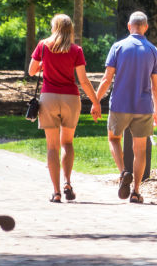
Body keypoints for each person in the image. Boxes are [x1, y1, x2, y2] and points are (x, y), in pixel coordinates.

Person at [28, 14, 102, 203]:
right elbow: (83, 80)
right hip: (71, 98)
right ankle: (67, 183)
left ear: (54, 27)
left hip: (49, 98)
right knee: (67, 143)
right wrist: (95, 102)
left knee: (52, 146)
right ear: (71, 30)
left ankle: (56, 192)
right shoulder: (76, 50)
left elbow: (31, 71)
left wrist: (43, 65)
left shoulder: (43, 46)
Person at [94, 11, 157, 204]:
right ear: (146, 27)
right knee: (140, 150)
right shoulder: (153, 51)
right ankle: (136, 191)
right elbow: (156, 86)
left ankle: (123, 172)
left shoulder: (118, 47)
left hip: (119, 104)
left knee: (113, 138)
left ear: (129, 26)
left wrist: (96, 101)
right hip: (144, 107)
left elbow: (107, 78)